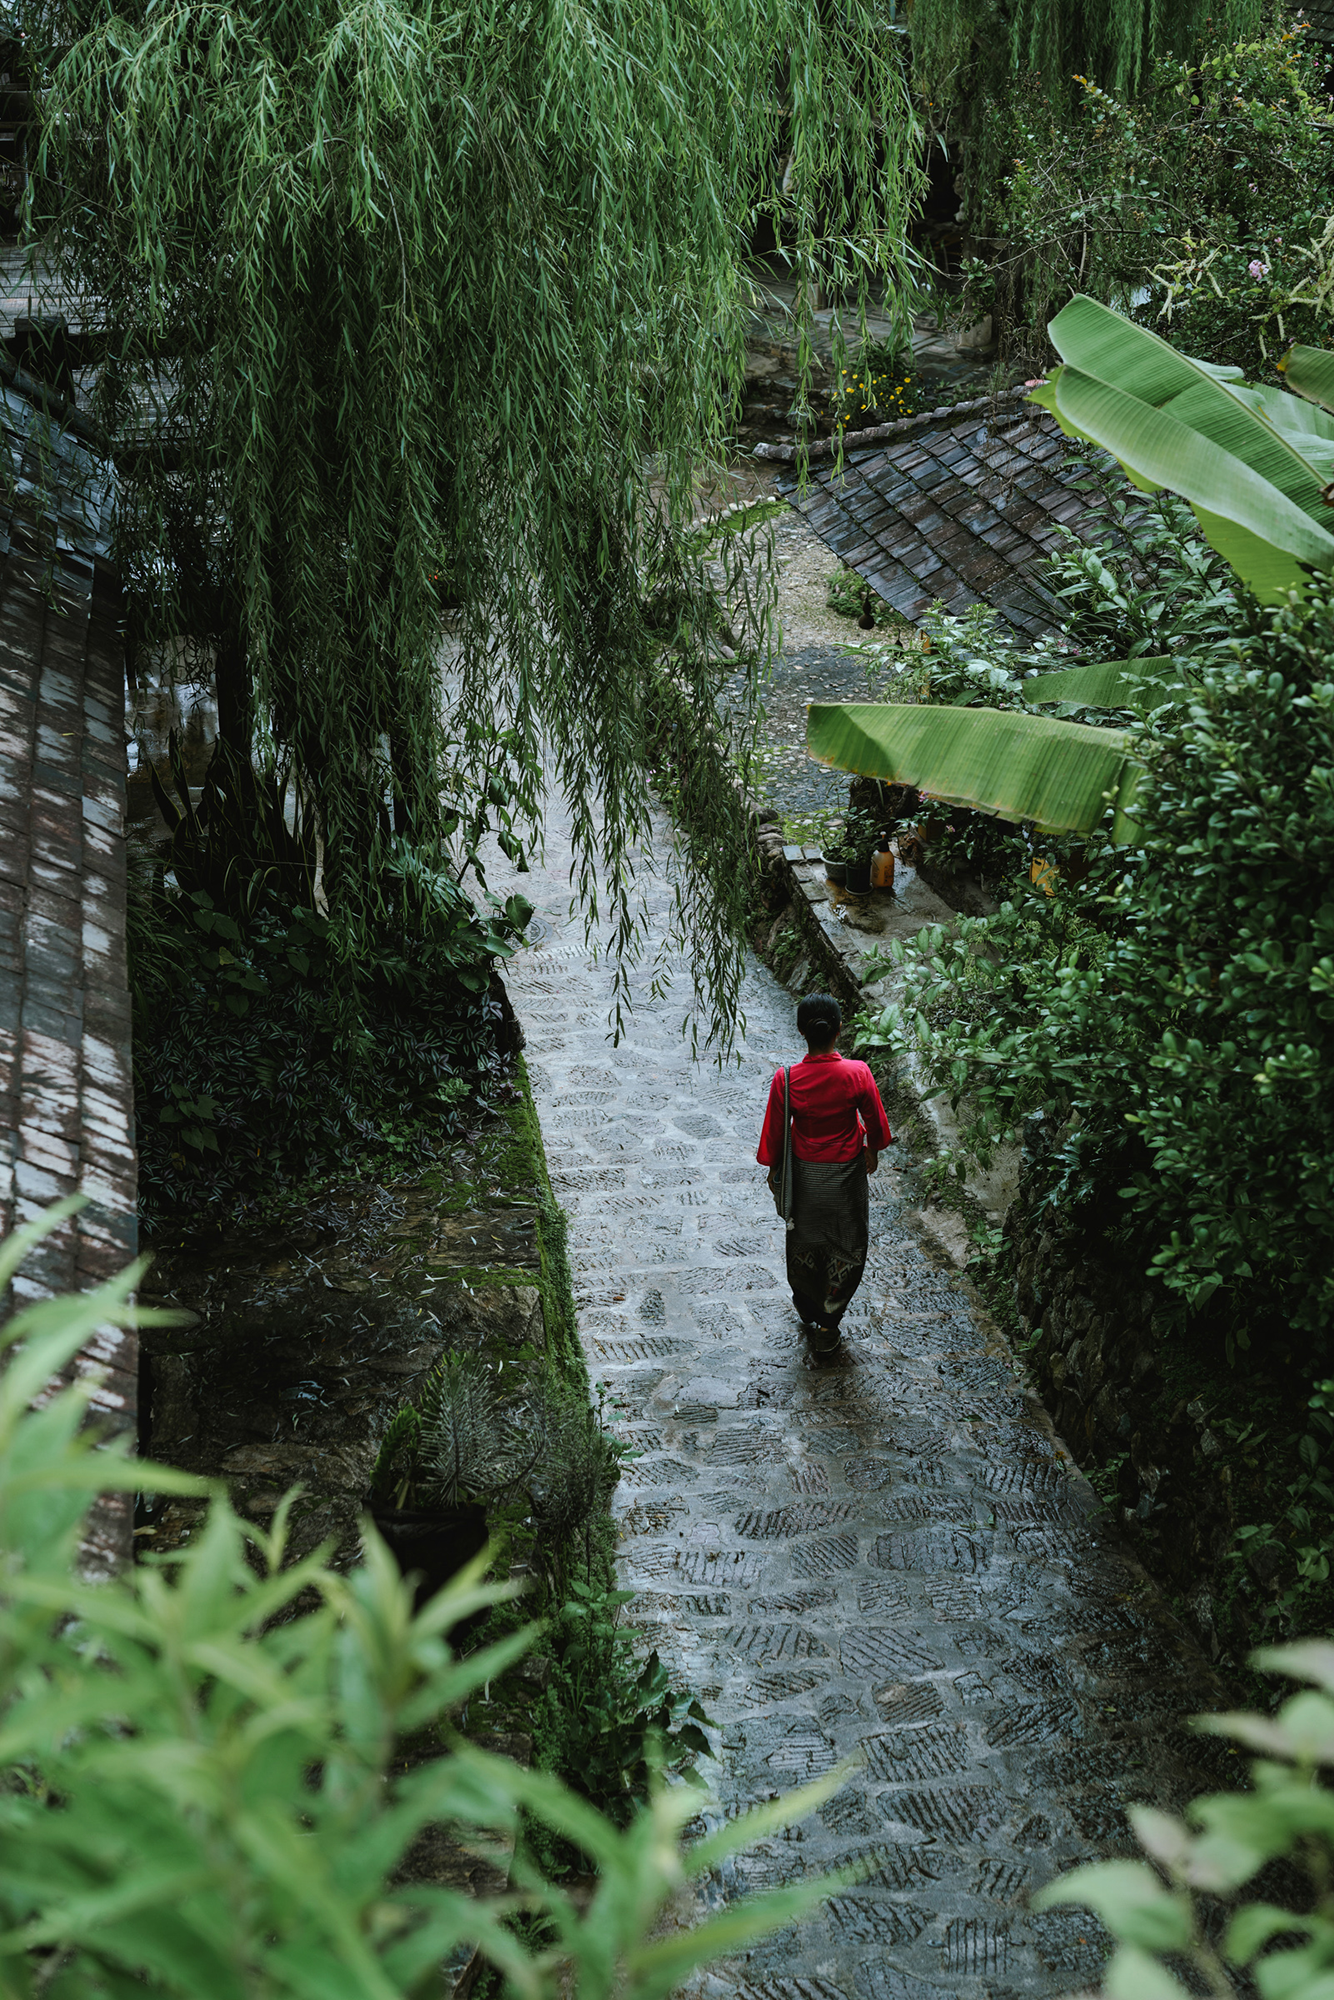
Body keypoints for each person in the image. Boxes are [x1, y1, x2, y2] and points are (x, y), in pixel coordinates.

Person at [756, 992, 894, 1357]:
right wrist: (873, 1150)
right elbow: (877, 1124)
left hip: (804, 1176)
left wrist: (774, 1169)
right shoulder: (858, 1073)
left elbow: (774, 1134)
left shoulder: (786, 1080)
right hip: (847, 1176)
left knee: (804, 1242)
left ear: (802, 1031)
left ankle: (807, 1305)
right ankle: (829, 1325)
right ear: (839, 1029)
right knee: (847, 1246)